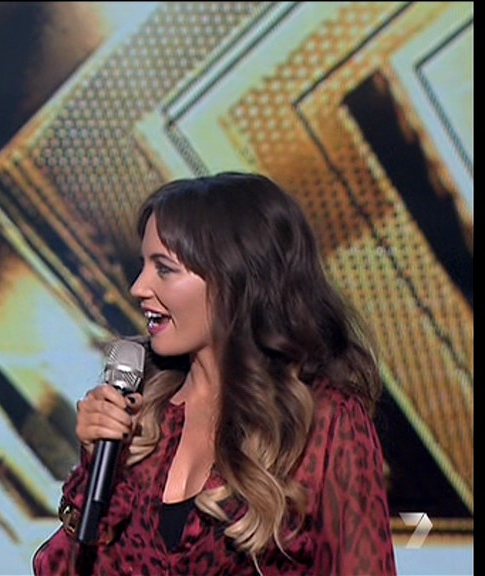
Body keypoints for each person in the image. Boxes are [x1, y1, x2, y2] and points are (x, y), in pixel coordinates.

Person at [33, 172, 396, 575]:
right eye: (143, 266)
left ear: (234, 281)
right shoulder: (143, 410)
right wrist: (94, 466)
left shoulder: (325, 422)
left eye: (164, 269)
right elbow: (61, 569)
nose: (138, 287)